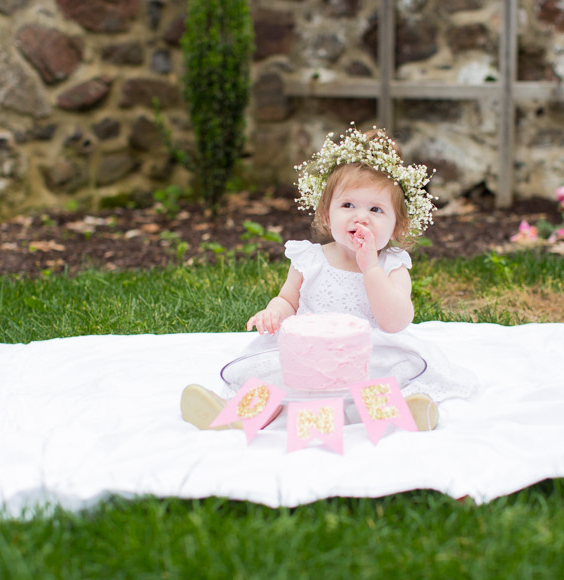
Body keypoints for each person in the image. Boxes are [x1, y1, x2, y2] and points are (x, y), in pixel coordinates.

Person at [182, 124, 473, 432]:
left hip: (369, 353)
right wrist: (274, 312)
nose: (360, 217)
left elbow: (395, 321)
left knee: (379, 383)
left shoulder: (391, 266)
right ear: (325, 215)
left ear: (398, 227)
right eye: (348, 205)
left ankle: (404, 414)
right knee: (276, 379)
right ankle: (236, 417)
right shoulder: (310, 260)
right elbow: (287, 299)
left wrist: (370, 267)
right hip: (309, 355)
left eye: (376, 209)